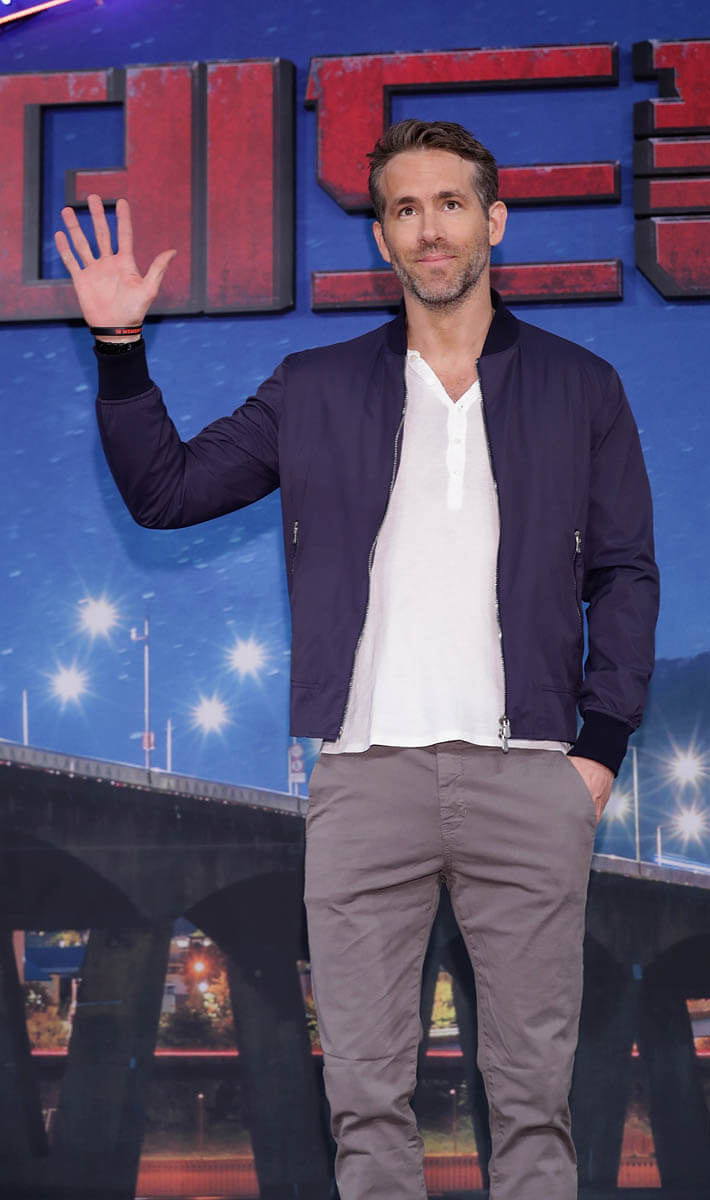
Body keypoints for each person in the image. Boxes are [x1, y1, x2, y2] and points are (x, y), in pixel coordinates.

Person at [56, 118, 658, 1200]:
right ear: (383, 238)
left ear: (493, 221)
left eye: (450, 203)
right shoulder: (315, 387)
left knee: (533, 1100)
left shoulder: (582, 387)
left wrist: (597, 752)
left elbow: (623, 573)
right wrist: (118, 346)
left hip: (531, 776)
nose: (430, 228)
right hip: (364, 778)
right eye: (404, 209)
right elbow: (166, 493)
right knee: (365, 1101)